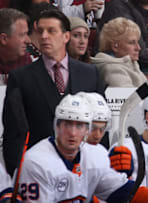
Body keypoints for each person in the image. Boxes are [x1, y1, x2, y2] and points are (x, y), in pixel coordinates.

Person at [2, 9, 105, 176]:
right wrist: (17, 177)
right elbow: (13, 135)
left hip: (83, 172)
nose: (43, 36)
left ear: (66, 36)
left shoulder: (90, 74)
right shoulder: (21, 78)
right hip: (39, 173)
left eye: (51, 31)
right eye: (40, 31)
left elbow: (100, 124)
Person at [91, 17, 147, 87]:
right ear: (115, 46)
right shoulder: (111, 68)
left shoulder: (131, 62)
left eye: (137, 42)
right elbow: (125, 96)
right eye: (131, 43)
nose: (138, 48)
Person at [0, 8, 32, 84]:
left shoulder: (25, 60)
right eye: (22, 35)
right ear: (4, 39)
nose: (28, 41)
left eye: (27, 33)